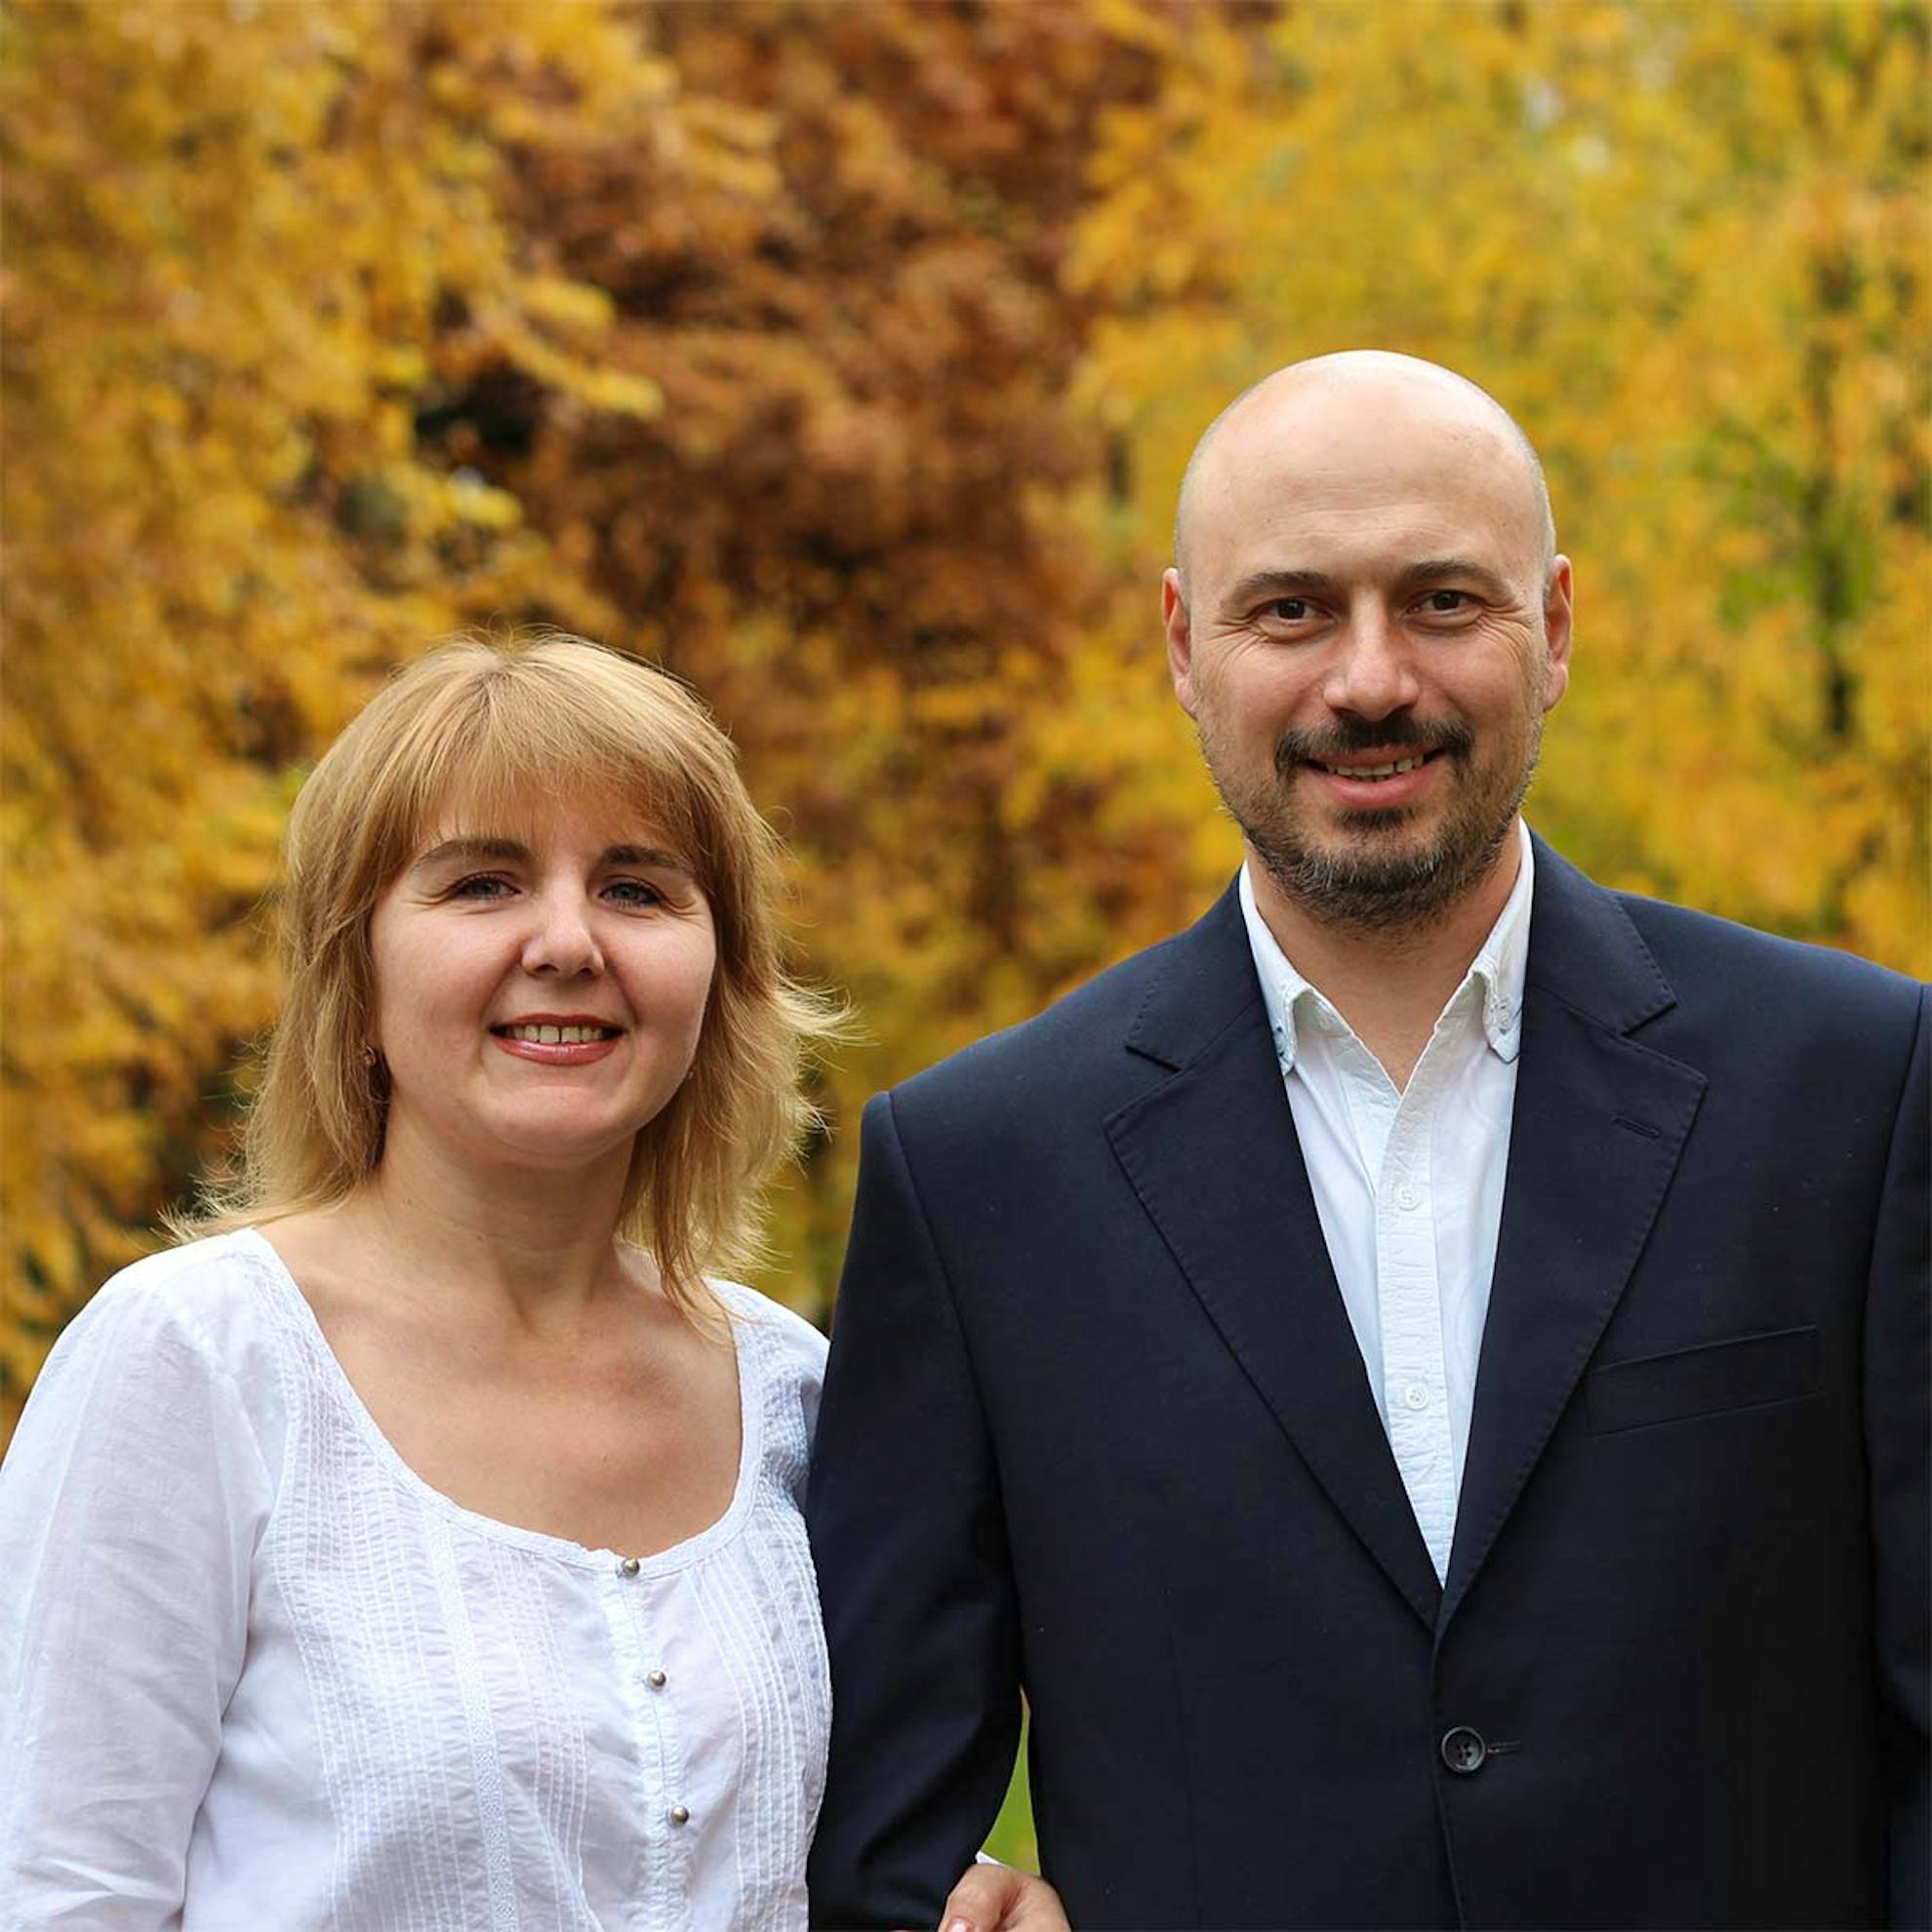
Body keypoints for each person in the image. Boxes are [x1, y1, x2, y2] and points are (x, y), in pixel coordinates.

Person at [806, 353, 1930, 1930]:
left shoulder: (1859, 1090)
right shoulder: (979, 1175)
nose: (1370, 679)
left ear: (1557, 628)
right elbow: (881, 1840)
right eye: (1292, 612)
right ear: (1184, 648)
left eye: (1444, 601)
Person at [0, 634, 1064, 1931]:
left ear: (719, 977)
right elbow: (59, 1893)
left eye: (636, 888)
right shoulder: (197, 1364)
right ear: (356, 977)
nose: (566, 942)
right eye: (483, 882)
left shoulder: (798, 1399)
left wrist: (963, 1895)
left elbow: (826, 1855)